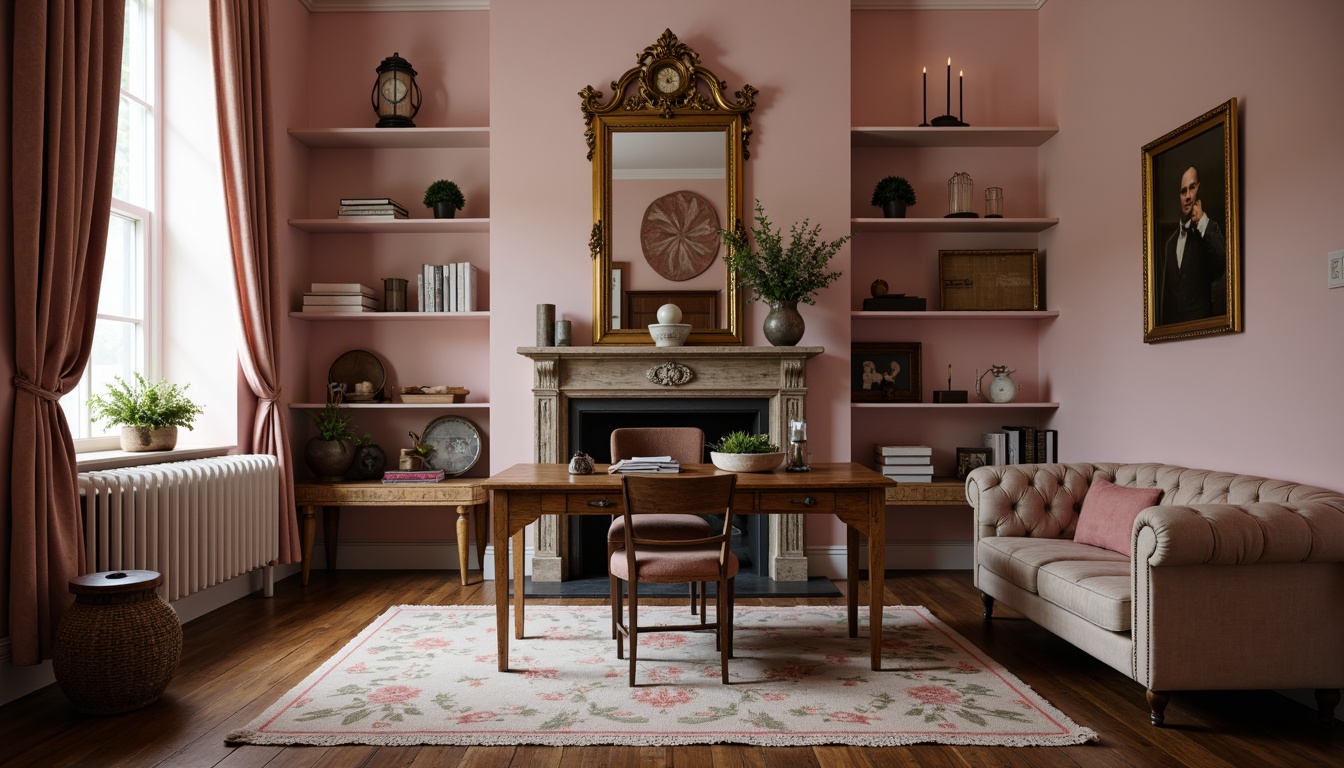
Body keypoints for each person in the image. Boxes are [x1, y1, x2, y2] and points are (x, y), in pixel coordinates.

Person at [1156, 165, 1226, 325]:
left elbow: (1221, 261)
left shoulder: (1208, 229)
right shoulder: (1170, 243)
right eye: (1183, 191)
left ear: (1199, 190)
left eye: (1192, 188)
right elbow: (1167, 298)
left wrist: (1201, 221)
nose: (1187, 196)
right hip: (1173, 335)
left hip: (1203, 329)